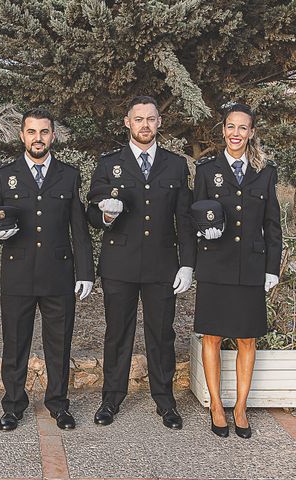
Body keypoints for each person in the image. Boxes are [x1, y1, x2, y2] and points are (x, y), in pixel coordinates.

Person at [0, 108, 95, 431]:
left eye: (44, 132)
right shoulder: (6, 175)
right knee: (15, 344)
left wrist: (85, 272)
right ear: (22, 135)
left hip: (58, 274)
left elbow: (79, 230)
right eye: (32, 132)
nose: (38, 138)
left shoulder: (68, 175)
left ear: (52, 136)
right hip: (17, 275)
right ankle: (13, 406)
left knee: (59, 345)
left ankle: (58, 404)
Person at [86, 96, 195, 430]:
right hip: (120, 263)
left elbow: (185, 219)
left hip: (162, 265)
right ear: (127, 122)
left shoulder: (175, 165)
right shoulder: (109, 164)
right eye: (138, 119)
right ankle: (111, 398)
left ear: (159, 122)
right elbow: (91, 211)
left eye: (151, 119)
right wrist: (104, 214)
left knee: (161, 334)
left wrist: (187, 264)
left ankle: (165, 402)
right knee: (118, 333)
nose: (145, 125)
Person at [193, 103, 281, 439]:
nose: (235, 133)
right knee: (212, 336)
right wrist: (202, 233)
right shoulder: (206, 170)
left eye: (243, 128)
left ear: (251, 132)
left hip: (251, 268)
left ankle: (240, 408)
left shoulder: (265, 172)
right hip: (215, 265)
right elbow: (192, 216)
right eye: (230, 126)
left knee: (247, 338)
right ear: (223, 130)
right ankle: (217, 405)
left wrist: (271, 267)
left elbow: (272, 224)